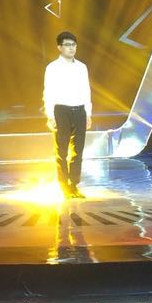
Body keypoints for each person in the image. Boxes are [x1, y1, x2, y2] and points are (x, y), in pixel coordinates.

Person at [42, 31, 92, 199]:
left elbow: (86, 90)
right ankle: (63, 186)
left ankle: (74, 185)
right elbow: (48, 92)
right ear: (59, 47)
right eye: (68, 45)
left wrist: (88, 113)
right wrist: (50, 115)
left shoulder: (82, 67)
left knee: (78, 150)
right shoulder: (52, 68)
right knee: (61, 151)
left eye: (74, 45)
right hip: (61, 110)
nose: (71, 48)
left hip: (79, 110)